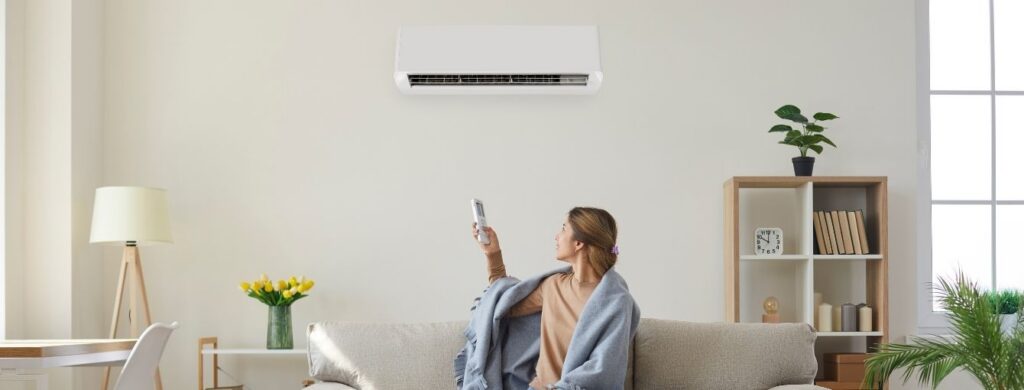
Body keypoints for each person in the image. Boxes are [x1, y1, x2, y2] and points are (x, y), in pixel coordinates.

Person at [469, 207, 635, 389]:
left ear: (578, 243)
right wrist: (493, 254)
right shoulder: (553, 286)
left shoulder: (616, 301)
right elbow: (503, 305)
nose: (557, 236)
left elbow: (604, 367)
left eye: (564, 228)